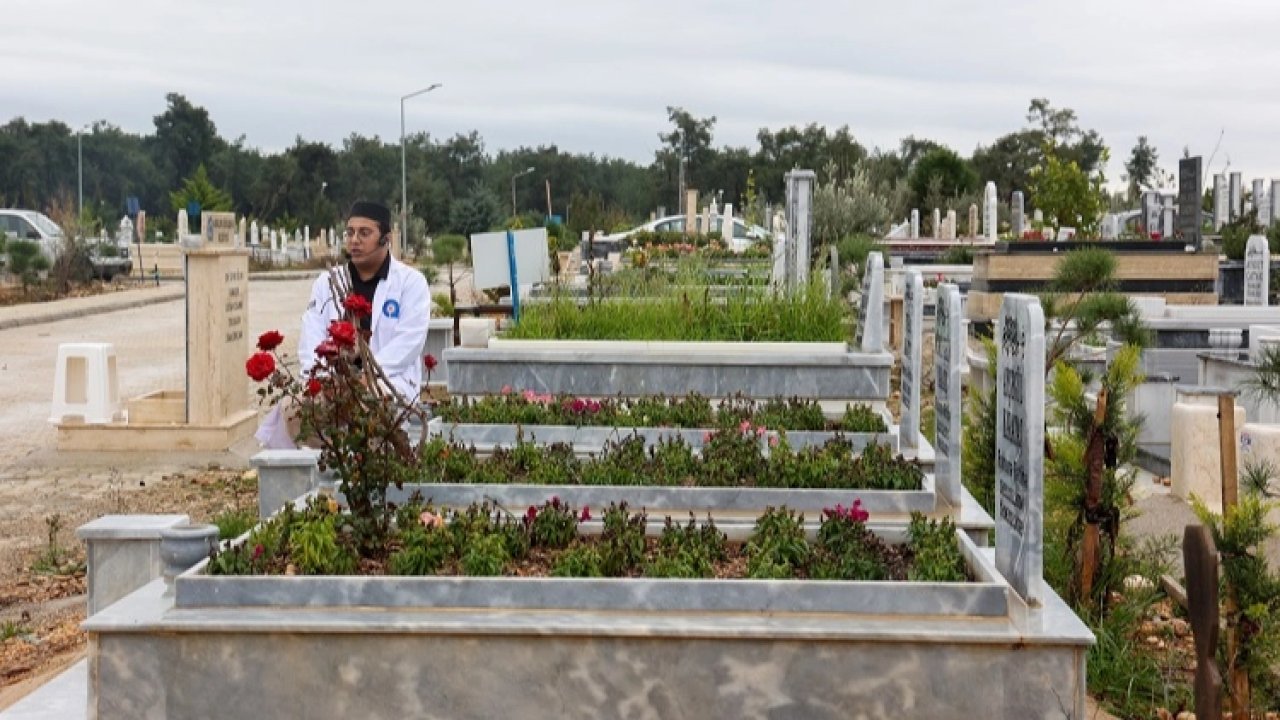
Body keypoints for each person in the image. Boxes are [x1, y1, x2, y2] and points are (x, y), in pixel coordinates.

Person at [298, 200, 430, 402]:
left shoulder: (411, 283)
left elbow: (408, 343)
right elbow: (311, 336)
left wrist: (366, 377)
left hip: (388, 382)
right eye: (350, 233)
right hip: (333, 383)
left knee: (367, 405)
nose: (354, 240)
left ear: (386, 239)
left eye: (364, 233)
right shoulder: (327, 283)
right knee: (291, 408)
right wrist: (325, 379)